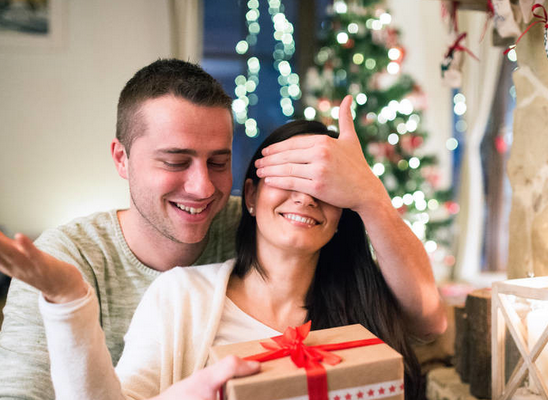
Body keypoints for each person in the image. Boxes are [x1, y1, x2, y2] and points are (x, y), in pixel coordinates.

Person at [0, 59, 446, 399]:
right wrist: (68, 301)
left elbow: (428, 319)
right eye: (175, 161)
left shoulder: (263, 226)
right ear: (121, 158)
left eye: (218, 163)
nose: (202, 189)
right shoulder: (71, 260)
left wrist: (368, 194)